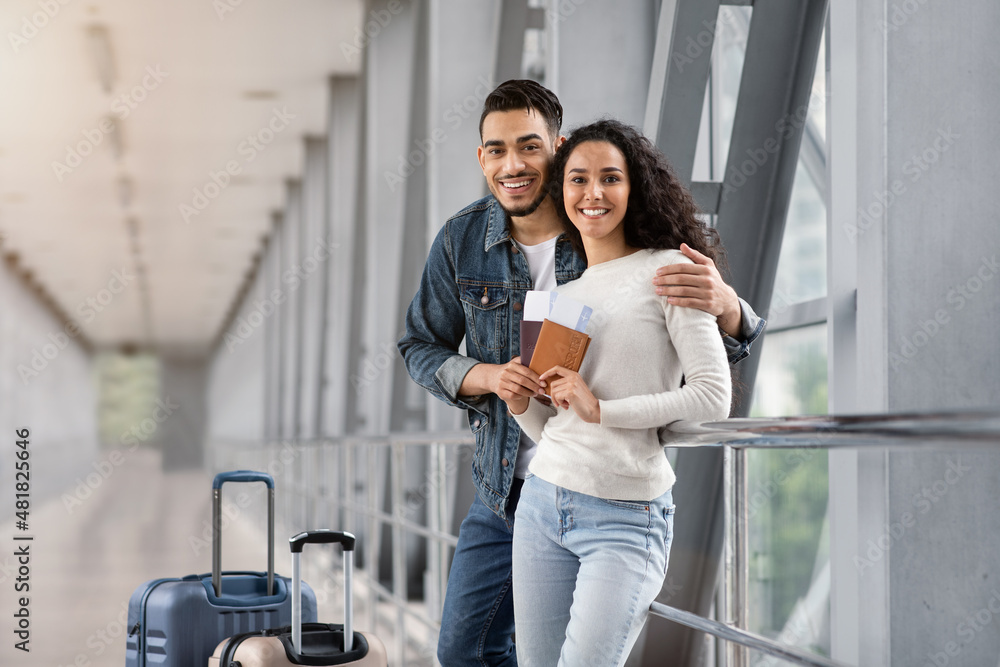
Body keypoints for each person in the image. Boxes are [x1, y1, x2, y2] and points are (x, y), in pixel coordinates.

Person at [397, 80, 764, 667]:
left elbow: (704, 370)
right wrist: (491, 380)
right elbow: (419, 345)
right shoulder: (463, 241)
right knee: (463, 652)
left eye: (528, 146)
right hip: (506, 488)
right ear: (482, 157)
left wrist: (732, 309)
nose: (512, 165)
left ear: (557, 148)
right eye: (496, 149)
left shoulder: (609, 230)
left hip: (614, 489)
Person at [503, 118, 730, 666]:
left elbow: (711, 396)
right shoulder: (562, 295)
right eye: (578, 179)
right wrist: (519, 405)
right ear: (561, 191)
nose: (594, 193)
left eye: (611, 178)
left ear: (635, 189)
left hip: (626, 516)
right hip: (542, 503)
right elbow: (556, 421)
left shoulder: (669, 271)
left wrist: (602, 409)